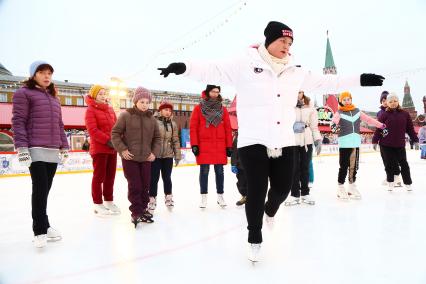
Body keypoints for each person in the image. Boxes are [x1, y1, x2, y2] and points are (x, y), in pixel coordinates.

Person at [158, 21, 385, 262]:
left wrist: (360, 78)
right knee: (256, 190)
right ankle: (254, 236)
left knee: (283, 189)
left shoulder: (296, 70)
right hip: (252, 139)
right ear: (269, 40)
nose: (286, 47)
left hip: (283, 139)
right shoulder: (245, 64)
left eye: (290, 43)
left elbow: (328, 82)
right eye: (282, 41)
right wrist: (183, 67)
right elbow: (212, 69)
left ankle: (271, 209)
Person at [12, 61, 69, 248]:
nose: (47, 76)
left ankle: (45, 224)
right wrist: (22, 148)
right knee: (40, 189)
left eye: (49, 73)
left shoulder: (54, 98)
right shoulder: (23, 93)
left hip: (52, 150)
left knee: (45, 191)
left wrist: (64, 146)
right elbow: (18, 121)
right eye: (42, 72)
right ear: (33, 75)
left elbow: (59, 124)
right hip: (35, 149)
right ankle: (39, 230)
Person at [111, 87, 161, 227]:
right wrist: (122, 150)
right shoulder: (126, 115)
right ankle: (136, 212)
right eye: (142, 101)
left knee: (145, 185)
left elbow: (157, 138)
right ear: (135, 101)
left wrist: (154, 153)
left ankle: (143, 209)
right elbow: (115, 133)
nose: (145, 104)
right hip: (130, 158)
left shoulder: (151, 119)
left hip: (146, 158)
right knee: (135, 185)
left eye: (147, 102)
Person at [331, 91, 386, 200]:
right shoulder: (339, 112)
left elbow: (369, 120)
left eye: (348, 99)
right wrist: (333, 125)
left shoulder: (357, 111)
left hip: (355, 143)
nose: (347, 101)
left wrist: (381, 125)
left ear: (351, 100)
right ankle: (340, 187)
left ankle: (351, 186)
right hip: (345, 143)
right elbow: (334, 121)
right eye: (344, 100)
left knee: (354, 166)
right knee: (343, 166)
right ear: (341, 101)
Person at [189, 85, 233, 208]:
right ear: (208, 92)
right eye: (213, 91)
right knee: (204, 171)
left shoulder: (223, 109)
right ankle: (204, 197)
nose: (215, 94)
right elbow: (193, 128)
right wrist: (195, 144)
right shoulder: (199, 108)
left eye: (217, 92)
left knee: (220, 171)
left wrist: (229, 146)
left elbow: (228, 128)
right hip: (204, 144)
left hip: (219, 144)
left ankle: (220, 196)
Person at [85, 85, 120, 216]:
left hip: (113, 148)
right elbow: (93, 130)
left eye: (104, 93)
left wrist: (117, 140)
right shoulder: (90, 110)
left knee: (110, 177)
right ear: (94, 95)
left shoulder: (110, 110)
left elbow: (116, 128)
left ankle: (109, 201)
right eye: (100, 94)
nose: (103, 96)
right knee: (99, 176)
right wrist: (108, 141)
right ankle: (97, 203)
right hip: (100, 148)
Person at [372, 93, 419, 191]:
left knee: (404, 164)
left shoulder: (405, 114)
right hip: (386, 144)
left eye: (395, 101)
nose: (393, 103)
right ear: (387, 103)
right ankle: (390, 182)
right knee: (389, 164)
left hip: (399, 144)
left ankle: (408, 183)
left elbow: (410, 129)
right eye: (390, 101)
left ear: (398, 101)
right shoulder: (384, 115)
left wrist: (415, 140)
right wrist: (375, 141)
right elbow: (379, 129)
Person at [285, 91, 321, 206]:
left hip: (307, 140)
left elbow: (314, 126)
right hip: (292, 141)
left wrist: (317, 140)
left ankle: (305, 193)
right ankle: (294, 194)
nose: (298, 94)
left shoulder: (310, 106)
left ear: (303, 93)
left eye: (300, 92)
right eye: (296, 91)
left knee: (305, 167)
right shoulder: (287, 106)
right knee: (293, 168)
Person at [148, 100, 182, 213]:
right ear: (160, 110)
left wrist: (177, 156)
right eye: (165, 110)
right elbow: (149, 139)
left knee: (167, 178)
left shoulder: (173, 124)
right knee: (154, 178)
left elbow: (176, 140)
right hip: (155, 156)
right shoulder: (153, 121)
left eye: (169, 110)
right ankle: (152, 198)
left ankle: (168, 197)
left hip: (168, 156)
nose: (168, 112)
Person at [376, 91, 402, 186]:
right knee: (386, 160)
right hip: (383, 141)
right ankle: (389, 177)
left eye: (386, 100)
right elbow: (378, 127)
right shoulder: (379, 113)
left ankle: (397, 178)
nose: (385, 102)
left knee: (393, 159)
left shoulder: (394, 111)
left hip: (393, 140)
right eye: (383, 100)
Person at [231, 130, 248, 206]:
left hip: (252, 165)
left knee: (252, 183)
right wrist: (233, 164)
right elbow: (234, 152)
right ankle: (244, 196)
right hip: (240, 166)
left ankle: (251, 198)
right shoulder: (238, 137)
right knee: (241, 184)